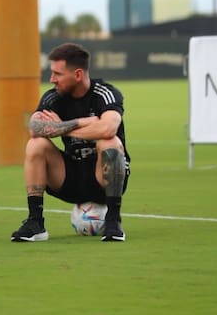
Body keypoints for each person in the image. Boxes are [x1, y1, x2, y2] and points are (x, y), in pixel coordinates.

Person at [10, 42, 130, 243]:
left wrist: (61, 127)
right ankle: (35, 223)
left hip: (104, 179)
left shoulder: (105, 94)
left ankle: (113, 221)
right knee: (35, 144)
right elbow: (35, 127)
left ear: (78, 75)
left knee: (109, 142)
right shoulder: (53, 97)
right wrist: (81, 123)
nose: (52, 79)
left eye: (58, 74)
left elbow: (108, 128)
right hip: (71, 177)